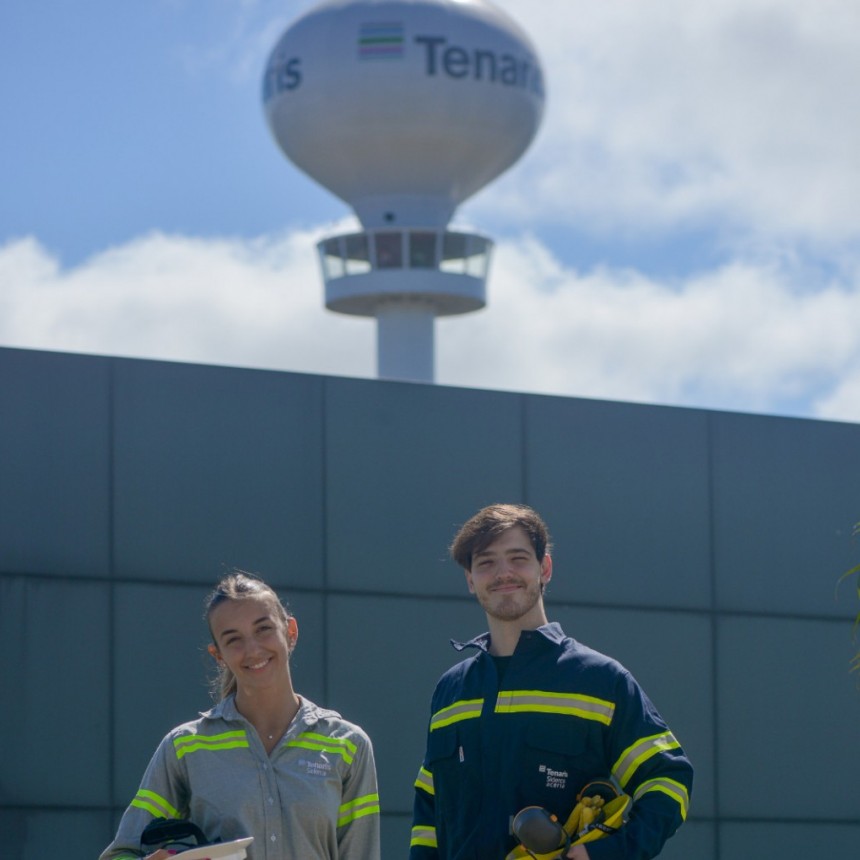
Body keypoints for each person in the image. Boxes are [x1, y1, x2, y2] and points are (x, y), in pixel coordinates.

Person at [409, 504, 693, 860]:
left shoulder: (599, 681)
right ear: (470, 579)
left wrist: (608, 853)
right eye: (486, 562)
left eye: (518, 558)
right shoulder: (452, 691)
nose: (503, 573)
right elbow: (428, 806)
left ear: (544, 568)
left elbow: (668, 778)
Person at [100, 571, 381, 860]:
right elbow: (121, 854)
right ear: (218, 655)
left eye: (263, 629)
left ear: (291, 632)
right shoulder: (184, 748)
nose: (252, 649)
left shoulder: (349, 745)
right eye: (233, 639)